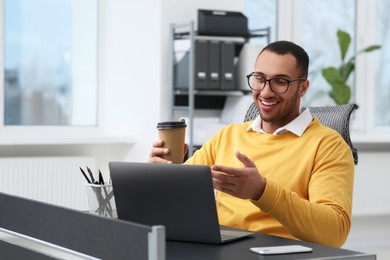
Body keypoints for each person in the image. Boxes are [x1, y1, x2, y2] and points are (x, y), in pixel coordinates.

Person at [149, 40, 354, 248]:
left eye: (280, 82)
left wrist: (262, 192)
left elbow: (334, 233)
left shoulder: (329, 146)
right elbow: (179, 198)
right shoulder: (229, 134)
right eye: (259, 79)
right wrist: (165, 175)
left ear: (303, 87)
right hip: (218, 250)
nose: (265, 92)